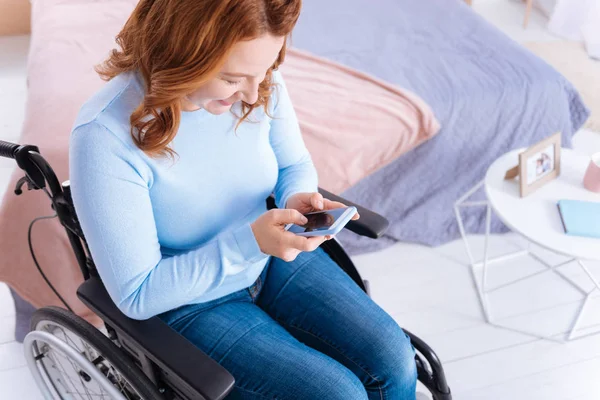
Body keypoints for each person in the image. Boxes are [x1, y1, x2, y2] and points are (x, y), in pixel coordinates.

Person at [69, 0, 417, 398]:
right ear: (183, 53)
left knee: (394, 359)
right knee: (338, 394)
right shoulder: (104, 136)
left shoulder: (258, 80)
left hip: (271, 259)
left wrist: (298, 197)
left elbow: (294, 163)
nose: (253, 94)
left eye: (265, 70)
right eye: (233, 78)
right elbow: (137, 294)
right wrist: (250, 243)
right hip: (189, 300)